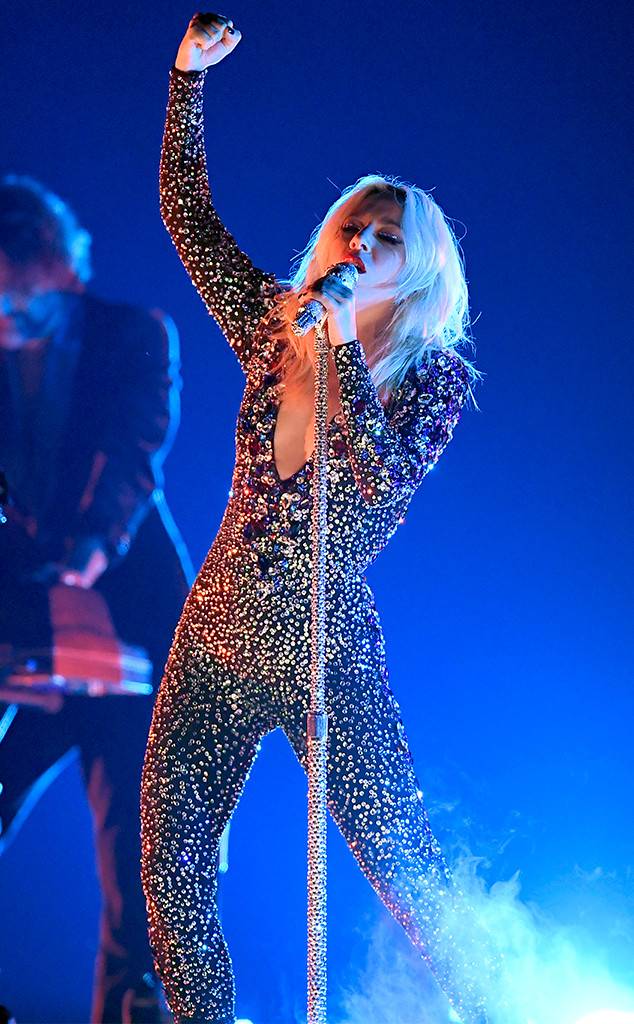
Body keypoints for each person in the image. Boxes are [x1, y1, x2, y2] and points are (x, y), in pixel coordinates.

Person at [141, 13, 497, 1024]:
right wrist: (186, 79)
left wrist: (339, 343)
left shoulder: (430, 380)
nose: (362, 246)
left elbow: (376, 485)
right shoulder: (272, 326)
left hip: (323, 650)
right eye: (353, 229)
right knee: (170, 863)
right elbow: (187, 217)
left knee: (408, 874)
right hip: (215, 634)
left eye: (386, 240)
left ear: (417, 267)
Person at [0, 175, 192, 1023]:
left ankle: (133, 1008)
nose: (9, 320)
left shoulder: (132, 334)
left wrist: (88, 551)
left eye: (20, 297)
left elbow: (133, 454)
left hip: (126, 629)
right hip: (21, 630)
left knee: (139, 854)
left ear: (60, 266)